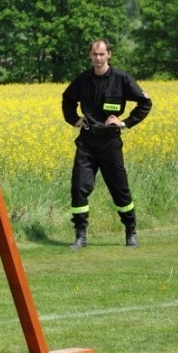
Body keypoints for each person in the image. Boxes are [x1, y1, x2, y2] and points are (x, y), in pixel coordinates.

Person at [61, 39, 152, 250]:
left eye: (102, 54)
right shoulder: (83, 80)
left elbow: (145, 102)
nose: (98, 58)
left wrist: (125, 123)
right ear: (90, 56)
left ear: (109, 54)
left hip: (110, 143)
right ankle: (80, 236)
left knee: (120, 190)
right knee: (78, 188)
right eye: (95, 54)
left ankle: (131, 231)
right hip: (87, 142)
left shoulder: (121, 79)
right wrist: (74, 119)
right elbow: (67, 100)